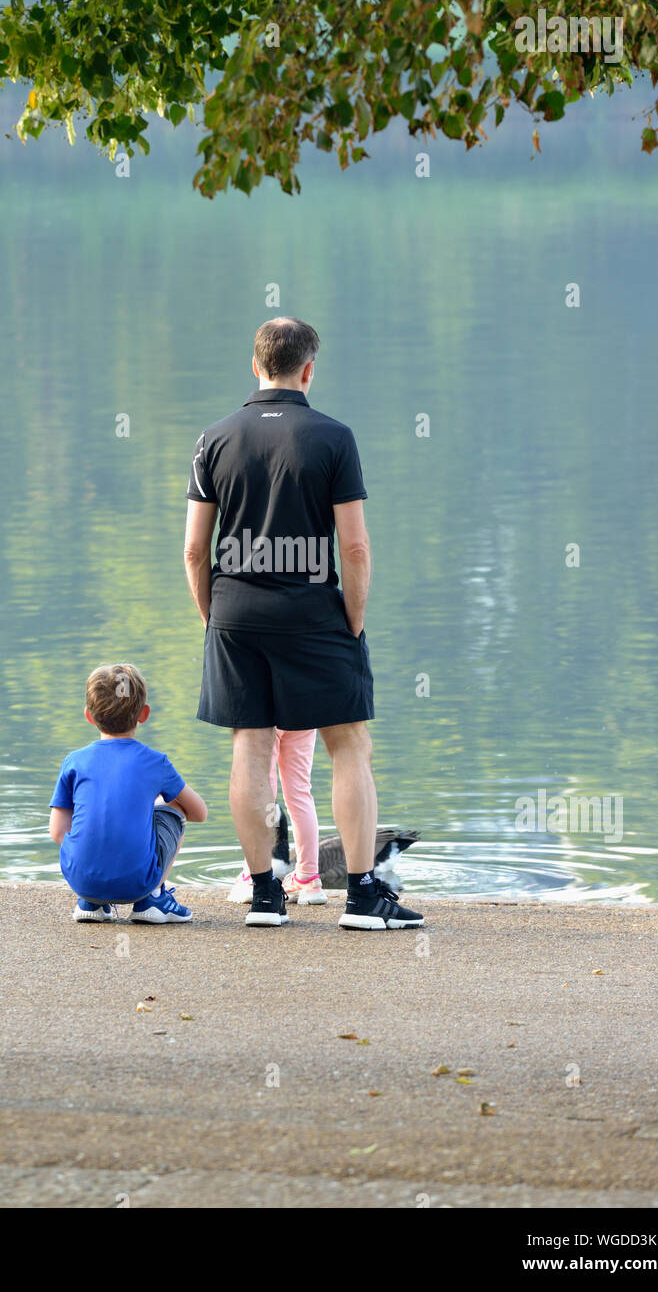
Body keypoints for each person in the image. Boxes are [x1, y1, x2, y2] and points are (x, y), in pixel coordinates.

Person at [184, 317, 424, 931]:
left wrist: (216, 616)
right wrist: (353, 619)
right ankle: (364, 898)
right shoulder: (333, 437)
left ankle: (265, 895)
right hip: (315, 611)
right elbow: (357, 548)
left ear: (254, 364)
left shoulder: (213, 438)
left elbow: (193, 550)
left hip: (235, 613)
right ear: (309, 369)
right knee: (349, 745)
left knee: (251, 744)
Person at [49, 663, 206, 924]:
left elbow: (57, 832)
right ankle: (153, 898)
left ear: (89, 716)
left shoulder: (74, 762)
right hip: (137, 882)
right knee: (175, 808)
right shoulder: (155, 762)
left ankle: (92, 903)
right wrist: (156, 801)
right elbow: (198, 812)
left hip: (81, 880)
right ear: (144, 714)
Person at [228, 727, 327, 906]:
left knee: (265, 790)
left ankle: (252, 876)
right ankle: (308, 878)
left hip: (266, 714)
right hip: (303, 711)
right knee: (301, 793)